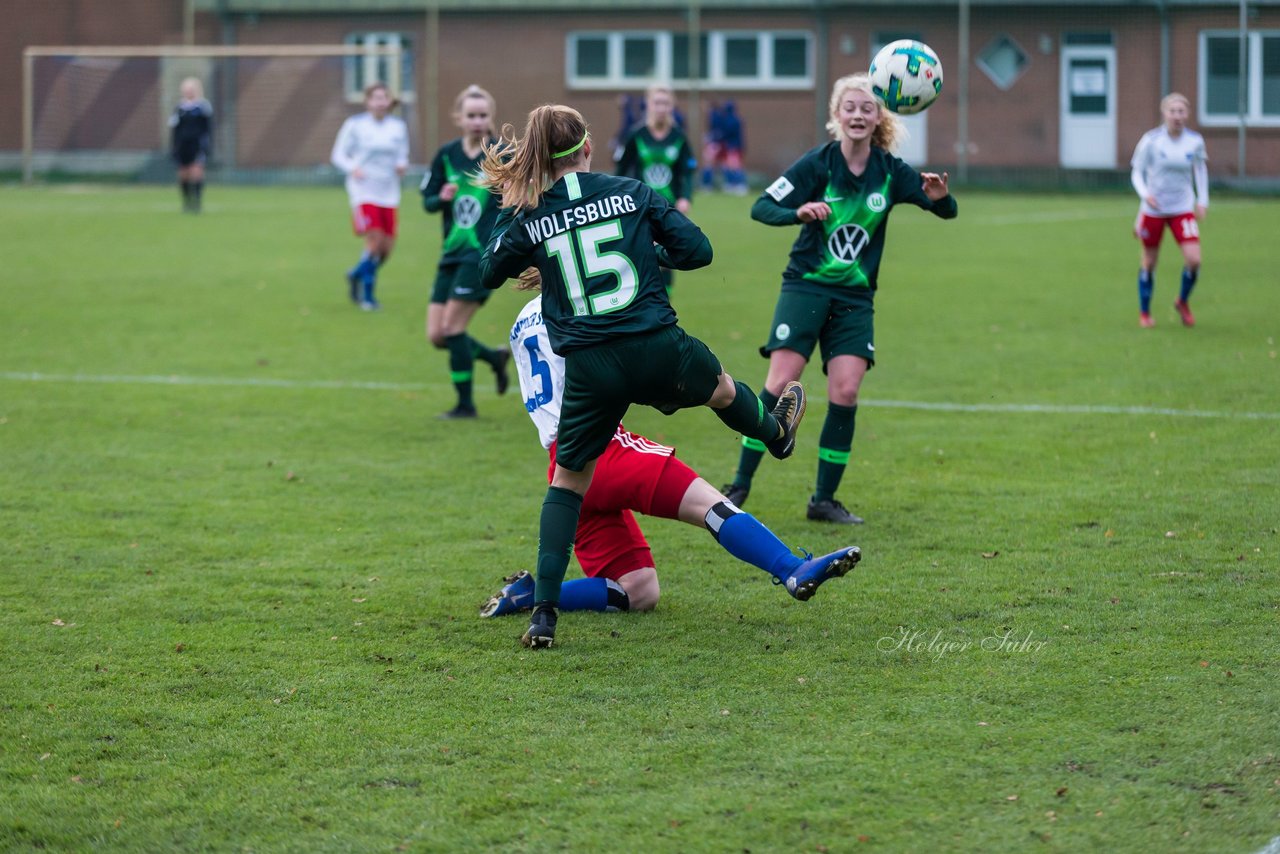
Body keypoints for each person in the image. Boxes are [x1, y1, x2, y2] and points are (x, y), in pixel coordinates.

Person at [477, 104, 807, 648]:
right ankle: (774, 434)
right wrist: (646, 249)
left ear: (537, 158)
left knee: (566, 483)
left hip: (591, 366)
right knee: (723, 389)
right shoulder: (630, 191)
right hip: (654, 343)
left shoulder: (533, 219)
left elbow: (489, 269)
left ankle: (543, 615)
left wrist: (513, 207)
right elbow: (697, 251)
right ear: (589, 147)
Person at [480, 293, 861, 620]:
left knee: (639, 591)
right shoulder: (577, 305)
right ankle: (792, 569)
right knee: (713, 507)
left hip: (562, 467)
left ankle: (531, 595)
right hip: (605, 448)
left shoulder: (521, 321)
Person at [721, 73, 957, 525]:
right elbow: (761, 207)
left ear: (879, 118)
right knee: (780, 381)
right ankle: (739, 484)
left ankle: (823, 500)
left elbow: (946, 210)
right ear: (836, 115)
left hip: (854, 298)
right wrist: (798, 212)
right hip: (805, 287)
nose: (858, 115)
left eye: (867, 108)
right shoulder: (818, 164)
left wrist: (941, 199)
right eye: (850, 107)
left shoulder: (890, 171)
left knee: (845, 390)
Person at [420, 85, 510, 419]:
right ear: (458, 117)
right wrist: (440, 197)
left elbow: (521, 198)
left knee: (452, 329)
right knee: (437, 335)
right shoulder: (446, 155)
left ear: (491, 117)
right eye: (471, 115)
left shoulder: (502, 155)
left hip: (481, 255)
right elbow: (428, 201)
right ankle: (492, 358)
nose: (477, 121)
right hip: (451, 253)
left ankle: (465, 406)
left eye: (483, 115)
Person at [1130, 92, 1208, 328]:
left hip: (1182, 207)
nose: (1177, 116)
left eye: (1181, 111)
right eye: (1172, 111)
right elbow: (1136, 172)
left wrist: (1202, 200)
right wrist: (1146, 195)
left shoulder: (1195, 141)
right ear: (1164, 113)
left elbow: (1200, 170)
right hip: (1154, 210)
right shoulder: (1151, 141)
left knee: (1194, 260)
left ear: (1188, 114)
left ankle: (1182, 301)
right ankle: (1145, 313)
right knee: (1150, 262)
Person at [330, 82, 409, 311]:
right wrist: (352, 168)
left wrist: (402, 165)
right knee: (374, 242)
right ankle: (368, 297)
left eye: (384, 97)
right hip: (363, 189)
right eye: (375, 97)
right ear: (367, 102)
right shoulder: (355, 125)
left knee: (386, 250)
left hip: (389, 192)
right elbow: (338, 155)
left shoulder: (398, 127)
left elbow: (402, 154)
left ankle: (355, 274)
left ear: (388, 101)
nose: (380, 102)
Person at [614, 84, 697, 293]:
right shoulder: (636, 135)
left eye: (666, 103)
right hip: (640, 206)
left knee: (666, 257)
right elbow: (621, 170)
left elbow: (686, 171)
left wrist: (685, 197)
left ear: (672, 106)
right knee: (641, 255)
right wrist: (622, 198)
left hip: (669, 207)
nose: (661, 107)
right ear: (649, 105)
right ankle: (640, 303)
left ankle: (664, 305)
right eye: (657, 102)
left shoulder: (679, 137)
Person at [169, 77, 213, 213]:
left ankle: (197, 203)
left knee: (196, 172)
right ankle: (186, 202)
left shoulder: (203, 107)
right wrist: (174, 147)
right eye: (186, 89)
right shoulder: (179, 108)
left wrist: (207, 146)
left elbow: (208, 128)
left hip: (197, 145)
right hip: (182, 146)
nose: (189, 92)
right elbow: (174, 129)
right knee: (183, 174)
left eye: (191, 89)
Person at [701, 100, 747, 195]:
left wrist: (713, 138)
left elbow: (725, 133)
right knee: (727, 165)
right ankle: (732, 184)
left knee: (733, 166)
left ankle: (738, 185)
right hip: (730, 146)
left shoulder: (728, 119)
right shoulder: (733, 119)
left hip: (731, 146)